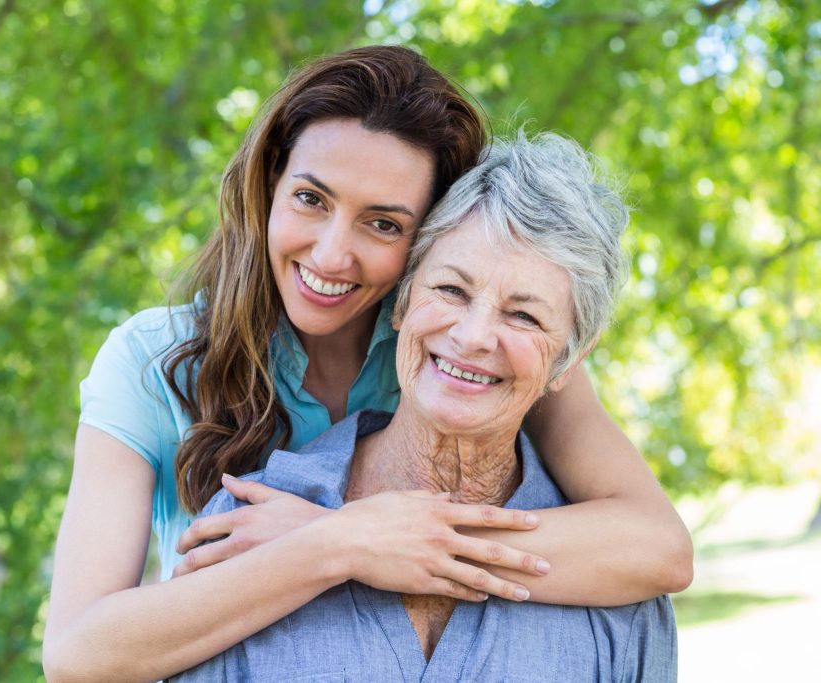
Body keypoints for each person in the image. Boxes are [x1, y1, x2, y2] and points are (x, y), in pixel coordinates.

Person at [43, 46, 691, 683]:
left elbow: (657, 546)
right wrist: (340, 543)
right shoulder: (150, 360)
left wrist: (390, 541)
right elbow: (76, 654)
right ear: (269, 187)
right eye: (310, 199)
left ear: (426, 239)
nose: (331, 255)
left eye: (383, 224)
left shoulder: (461, 351)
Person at [173, 131, 678, 681]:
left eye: (524, 316)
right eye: (452, 291)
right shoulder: (249, 527)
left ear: (570, 357)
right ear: (403, 302)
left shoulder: (620, 582)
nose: (472, 336)